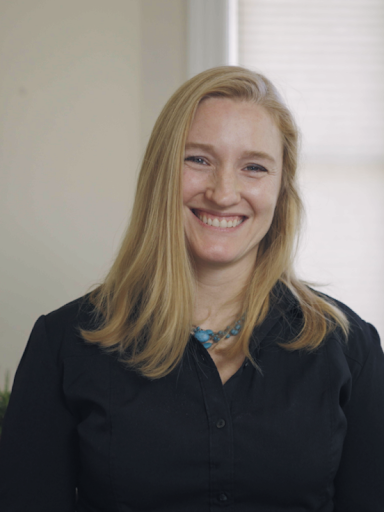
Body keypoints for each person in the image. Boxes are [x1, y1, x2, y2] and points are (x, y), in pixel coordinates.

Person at [0, 66, 383, 512]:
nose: (223, 193)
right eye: (198, 159)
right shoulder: (64, 344)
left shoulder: (350, 350)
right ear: (161, 173)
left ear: (281, 189)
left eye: (254, 167)